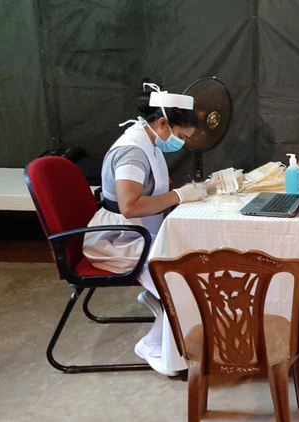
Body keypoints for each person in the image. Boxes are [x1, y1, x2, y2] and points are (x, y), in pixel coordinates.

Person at [83, 83, 214, 376]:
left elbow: (155, 187)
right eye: (181, 136)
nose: (181, 143)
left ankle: (156, 301)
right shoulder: (132, 152)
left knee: (192, 261)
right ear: (163, 123)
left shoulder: (148, 141)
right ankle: (151, 344)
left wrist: (198, 188)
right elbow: (130, 206)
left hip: (138, 232)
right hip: (117, 239)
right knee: (182, 284)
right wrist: (179, 196)